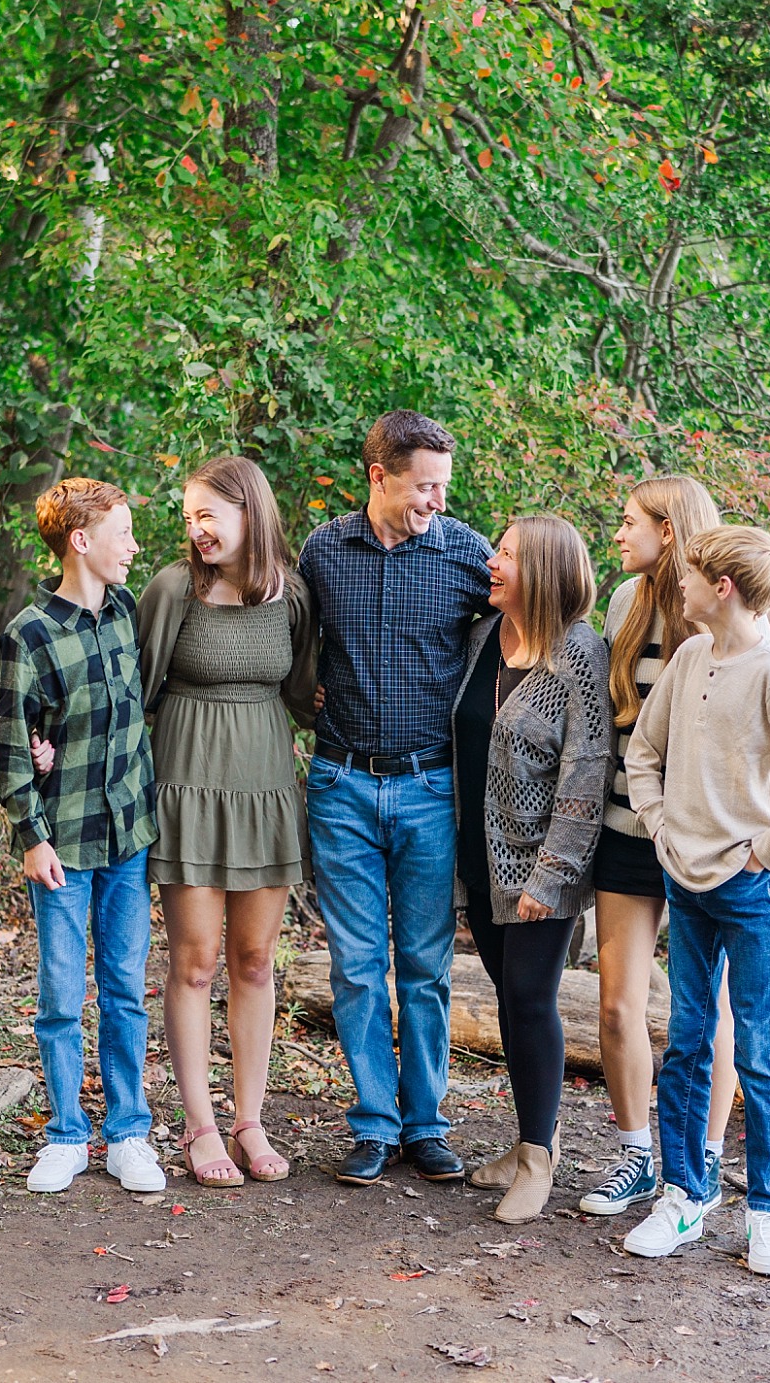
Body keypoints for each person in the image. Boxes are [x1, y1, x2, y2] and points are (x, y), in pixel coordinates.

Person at [619, 526, 770, 1274]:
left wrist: (767, 851)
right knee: (685, 1039)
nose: (678, 587)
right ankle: (683, 1193)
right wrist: (659, 825)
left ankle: (769, 1215)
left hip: (750, 889)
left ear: (722, 588)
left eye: (690, 577)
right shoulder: (688, 659)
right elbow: (641, 754)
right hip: (684, 881)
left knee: (758, 1050)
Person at [296, 410, 493, 1185]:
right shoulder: (324, 551)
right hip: (341, 783)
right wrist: (296, 695)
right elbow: (291, 640)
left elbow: (528, 631)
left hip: (428, 787)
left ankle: (426, 1123)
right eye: (424, 487)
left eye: (444, 487)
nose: (436, 501)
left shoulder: (468, 555)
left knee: (424, 965)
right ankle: (374, 1123)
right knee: (354, 964)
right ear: (378, 476)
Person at [135, 456, 316, 1187]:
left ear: (251, 513)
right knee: (195, 960)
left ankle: (249, 1118)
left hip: (266, 790)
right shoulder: (175, 589)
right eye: (189, 516)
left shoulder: (292, 596)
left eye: (209, 514)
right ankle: (200, 1125)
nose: (196, 529)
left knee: (253, 960)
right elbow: (134, 693)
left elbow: (306, 695)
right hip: (188, 788)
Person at [0, 477, 168, 1197]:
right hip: (62, 844)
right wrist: (31, 835)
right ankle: (67, 1132)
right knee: (62, 994)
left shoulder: (125, 610)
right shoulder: (28, 634)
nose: (133, 546)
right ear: (81, 541)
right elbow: (10, 747)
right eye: (122, 533)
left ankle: (129, 1131)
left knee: (126, 989)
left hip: (128, 839)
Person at [580, 477, 740, 1218]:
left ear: (669, 530)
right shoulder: (623, 603)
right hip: (626, 833)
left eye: (629, 521)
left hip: (706, 844)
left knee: (708, 1014)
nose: (618, 533)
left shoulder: (721, 611)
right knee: (617, 1008)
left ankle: (701, 1165)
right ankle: (638, 1155)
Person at [452, 516, 612, 1223]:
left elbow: (587, 769)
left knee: (529, 995)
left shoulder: (578, 653)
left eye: (508, 554)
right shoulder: (486, 636)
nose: (492, 560)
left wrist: (551, 877)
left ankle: (540, 1162)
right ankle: (525, 1142)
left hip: (541, 864)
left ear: (542, 570)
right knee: (510, 995)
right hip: (478, 857)